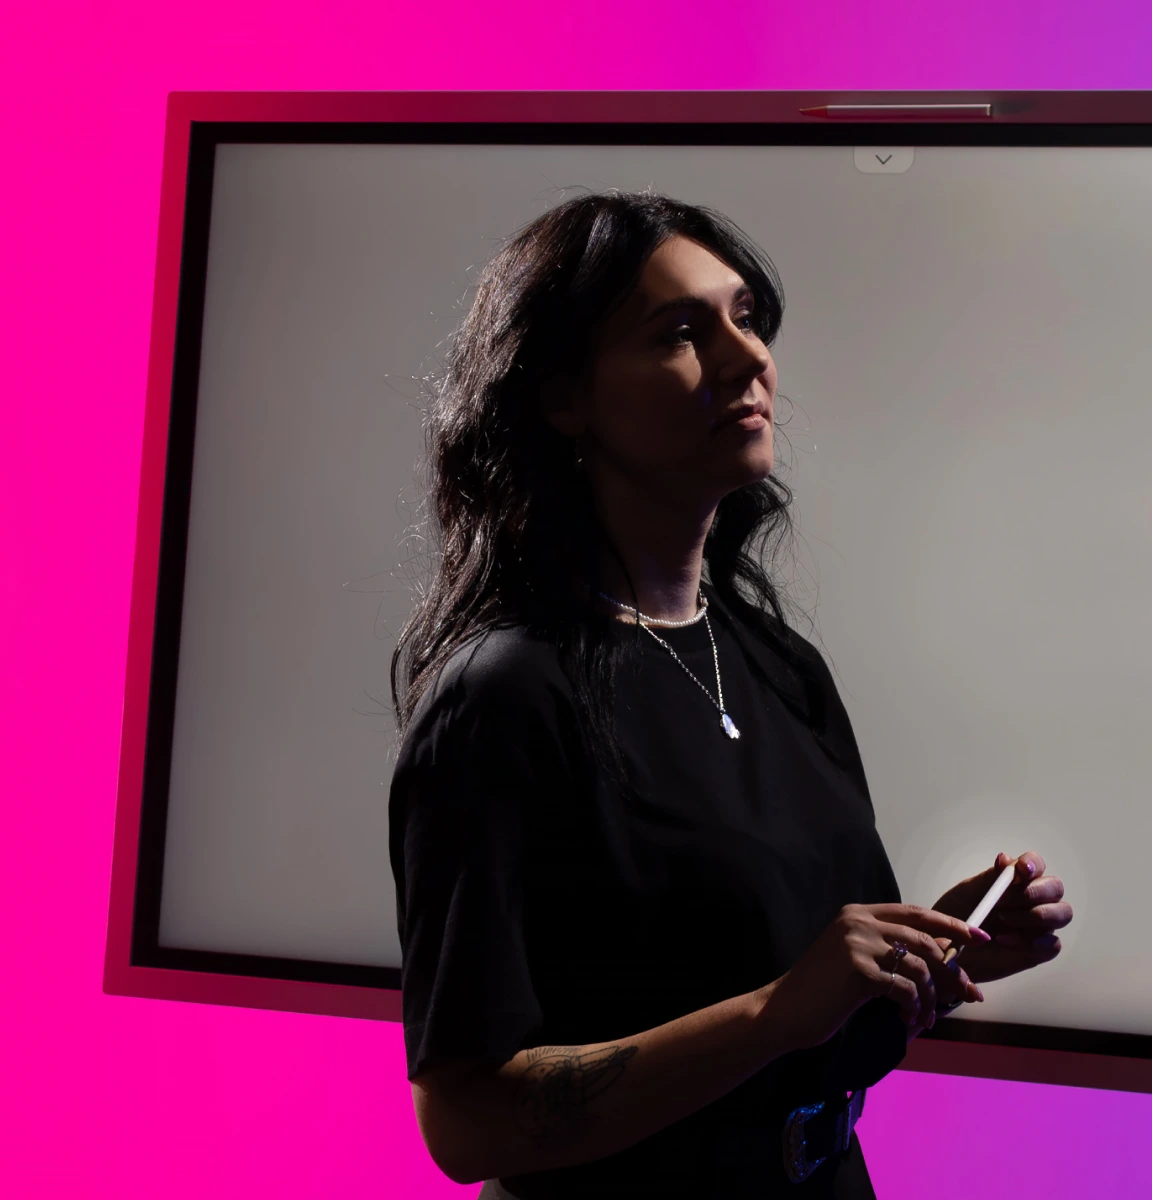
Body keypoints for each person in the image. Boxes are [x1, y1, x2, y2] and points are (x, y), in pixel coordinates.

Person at [387, 192, 1076, 1199]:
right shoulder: (499, 700)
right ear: (562, 398)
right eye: (679, 331)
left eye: (746, 317)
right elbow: (468, 1120)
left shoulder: (778, 666)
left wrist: (933, 948)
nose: (747, 358)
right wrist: (774, 1014)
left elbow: (793, 997)